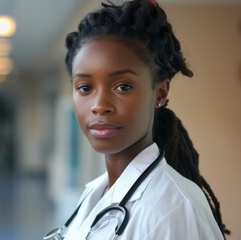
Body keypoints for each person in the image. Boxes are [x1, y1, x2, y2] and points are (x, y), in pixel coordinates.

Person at [44, 0, 230, 239]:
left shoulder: (173, 211)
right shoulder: (96, 193)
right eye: (85, 87)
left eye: (122, 86)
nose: (100, 105)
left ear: (160, 93)